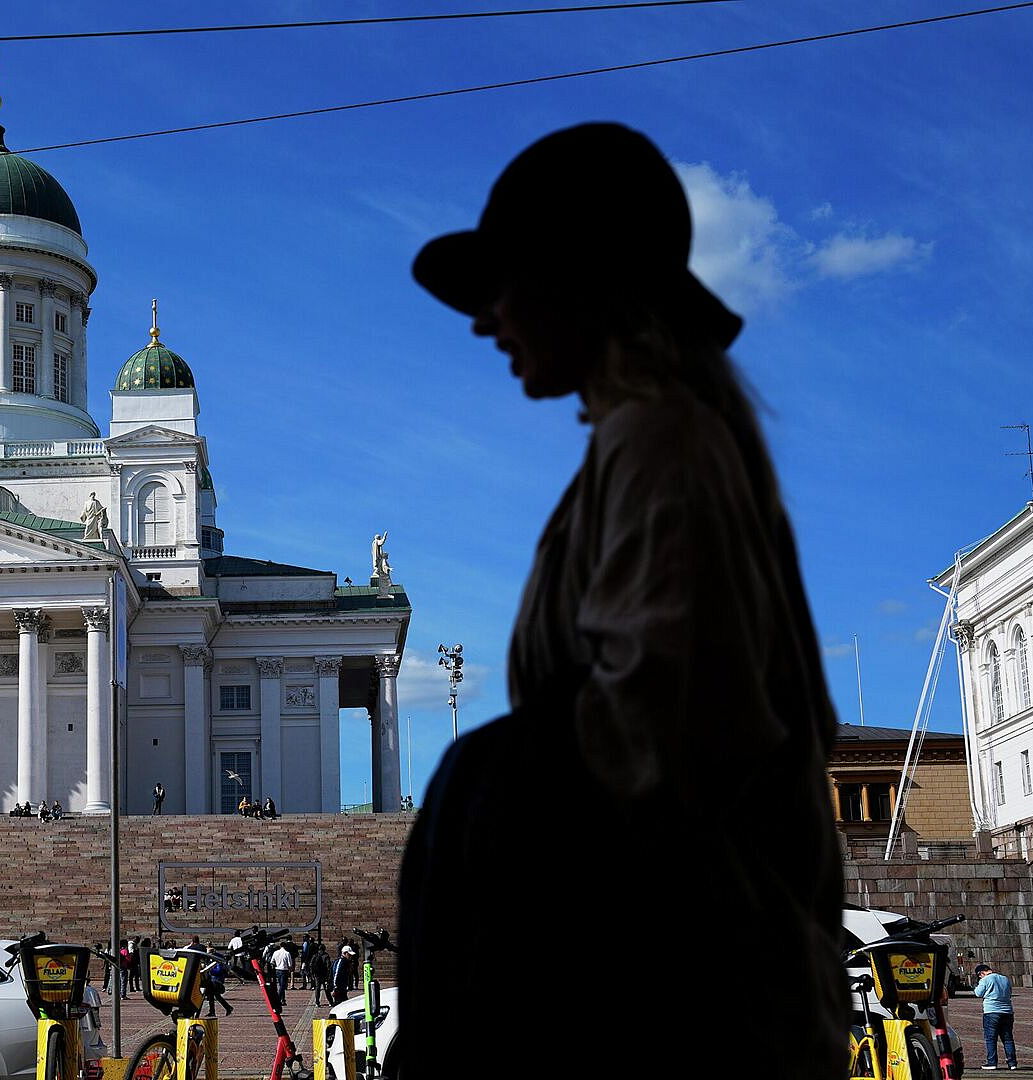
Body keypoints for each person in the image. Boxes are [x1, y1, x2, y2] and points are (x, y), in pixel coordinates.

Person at [397, 121, 845, 1076]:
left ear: (580, 281)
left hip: (672, 998)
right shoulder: (646, 444)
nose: (486, 321)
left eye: (505, 285)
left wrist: (474, 783)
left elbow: (660, 732)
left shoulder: (660, 445)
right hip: (681, 979)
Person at [972, 963, 1016, 1069]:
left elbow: (978, 993)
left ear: (981, 973)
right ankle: (1012, 1063)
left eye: (979, 976)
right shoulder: (1004, 978)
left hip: (991, 1012)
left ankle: (992, 1062)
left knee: (991, 1038)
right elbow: (1009, 993)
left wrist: (976, 986)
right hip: (1007, 1012)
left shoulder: (985, 980)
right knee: (1008, 1038)